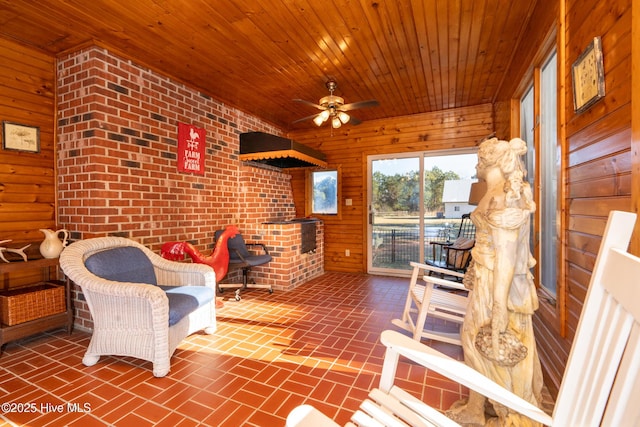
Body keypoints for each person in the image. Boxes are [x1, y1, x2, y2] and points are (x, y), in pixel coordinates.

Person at [447, 137, 543, 426]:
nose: (476, 162)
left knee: (479, 342)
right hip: (486, 279)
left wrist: (500, 305)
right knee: (474, 341)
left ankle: (508, 411)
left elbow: (507, 254)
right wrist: (473, 269)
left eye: (479, 157)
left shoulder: (505, 195)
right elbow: (490, 245)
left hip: (497, 286)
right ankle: (477, 407)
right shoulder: (493, 193)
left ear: (491, 160)